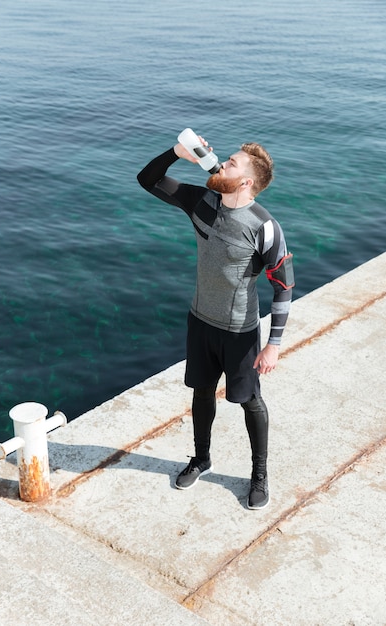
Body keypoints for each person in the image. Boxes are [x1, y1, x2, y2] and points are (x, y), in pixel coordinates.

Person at [137, 132, 294, 509]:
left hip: (240, 331)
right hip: (200, 321)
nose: (222, 162)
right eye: (227, 158)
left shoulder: (264, 226)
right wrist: (177, 153)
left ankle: (259, 474)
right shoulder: (202, 200)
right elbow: (148, 180)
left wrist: (273, 344)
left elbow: (284, 287)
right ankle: (202, 458)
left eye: (233, 163)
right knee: (201, 392)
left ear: (246, 182)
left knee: (249, 400)